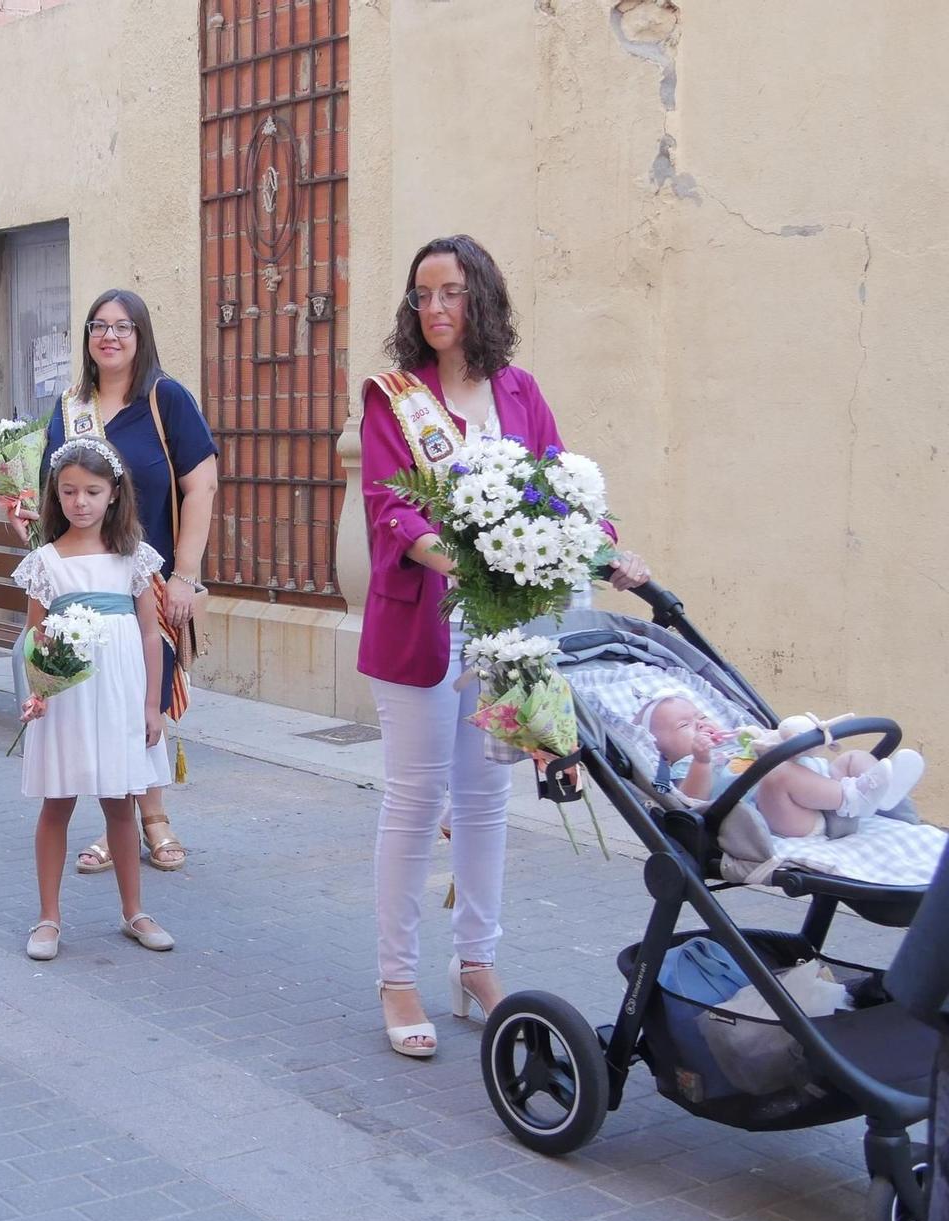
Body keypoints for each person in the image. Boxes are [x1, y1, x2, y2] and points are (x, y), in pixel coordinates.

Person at [359, 234, 650, 1058]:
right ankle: (397, 976)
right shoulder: (395, 397)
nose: (436, 309)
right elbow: (391, 506)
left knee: (487, 802)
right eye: (422, 295)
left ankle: (475, 962)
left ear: (482, 298)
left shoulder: (519, 391)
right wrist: (458, 557)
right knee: (416, 802)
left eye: (451, 292)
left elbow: (560, 490)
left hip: (503, 628)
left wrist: (608, 548)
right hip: (422, 623)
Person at [26, 291, 219, 878]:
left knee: (144, 697)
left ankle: (152, 814)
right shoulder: (70, 405)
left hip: (148, 576)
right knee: (101, 699)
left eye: (122, 326)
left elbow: (201, 486)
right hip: (85, 579)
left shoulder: (166, 399)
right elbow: (52, 490)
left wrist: (185, 574)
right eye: (98, 326)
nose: (109, 336)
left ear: (141, 334)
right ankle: (118, 819)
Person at [14, 437, 176, 961]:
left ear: (113, 494)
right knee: (57, 802)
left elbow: (151, 635)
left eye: (91, 491)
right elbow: (34, 634)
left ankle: (135, 910)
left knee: (120, 803)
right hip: (67, 696)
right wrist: (39, 689)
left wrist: (152, 705)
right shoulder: (45, 562)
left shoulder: (134, 557)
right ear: (54, 496)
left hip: (121, 694)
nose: (79, 502)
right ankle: (48, 917)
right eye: (67, 492)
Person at [640, 693, 925, 835]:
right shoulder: (682, 765)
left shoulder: (742, 741)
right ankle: (853, 799)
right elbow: (694, 800)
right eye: (685, 725)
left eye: (701, 716)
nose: (701, 725)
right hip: (787, 817)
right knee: (777, 774)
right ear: (661, 750)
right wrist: (701, 762)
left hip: (821, 791)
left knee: (851, 758)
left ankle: (881, 796)